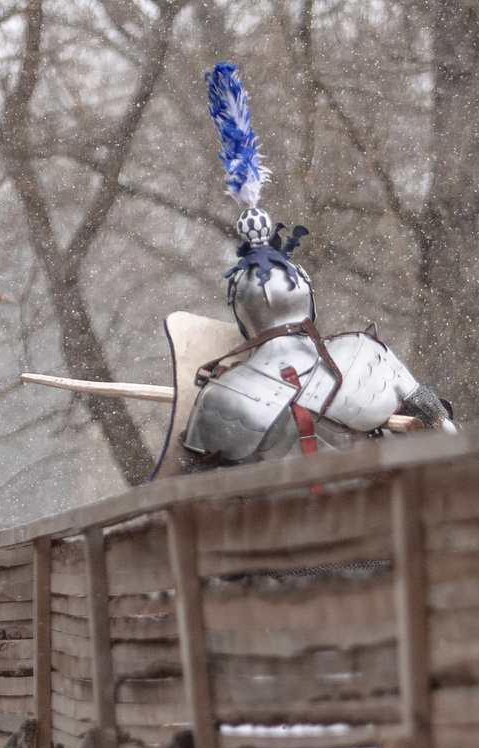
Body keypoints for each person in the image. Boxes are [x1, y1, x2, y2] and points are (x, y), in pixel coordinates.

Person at [177, 65, 454, 472]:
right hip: (377, 515)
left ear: (243, 315)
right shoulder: (364, 355)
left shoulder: (220, 398)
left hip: (288, 529)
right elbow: (445, 431)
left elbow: (197, 492)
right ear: (305, 295)